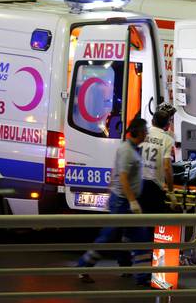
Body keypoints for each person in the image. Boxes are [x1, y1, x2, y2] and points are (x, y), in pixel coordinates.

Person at [77, 118, 151, 286]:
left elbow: (115, 172)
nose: (146, 134)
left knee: (139, 237)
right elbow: (123, 177)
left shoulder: (132, 149)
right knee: (108, 236)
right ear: (136, 132)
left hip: (122, 200)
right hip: (123, 202)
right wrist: (132, 201)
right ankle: (83, 267)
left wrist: (111, 190)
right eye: (144, 131)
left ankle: (143, 276)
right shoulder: (127, 151)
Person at [140, 109, 178, 213]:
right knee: (151, 221)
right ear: (167, 125)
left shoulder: (142, 134)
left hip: (138, 183)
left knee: (138, 221)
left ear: (152, 121)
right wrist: (171, 192)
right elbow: (166, 167)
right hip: (154, 187)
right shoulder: (167, 140)